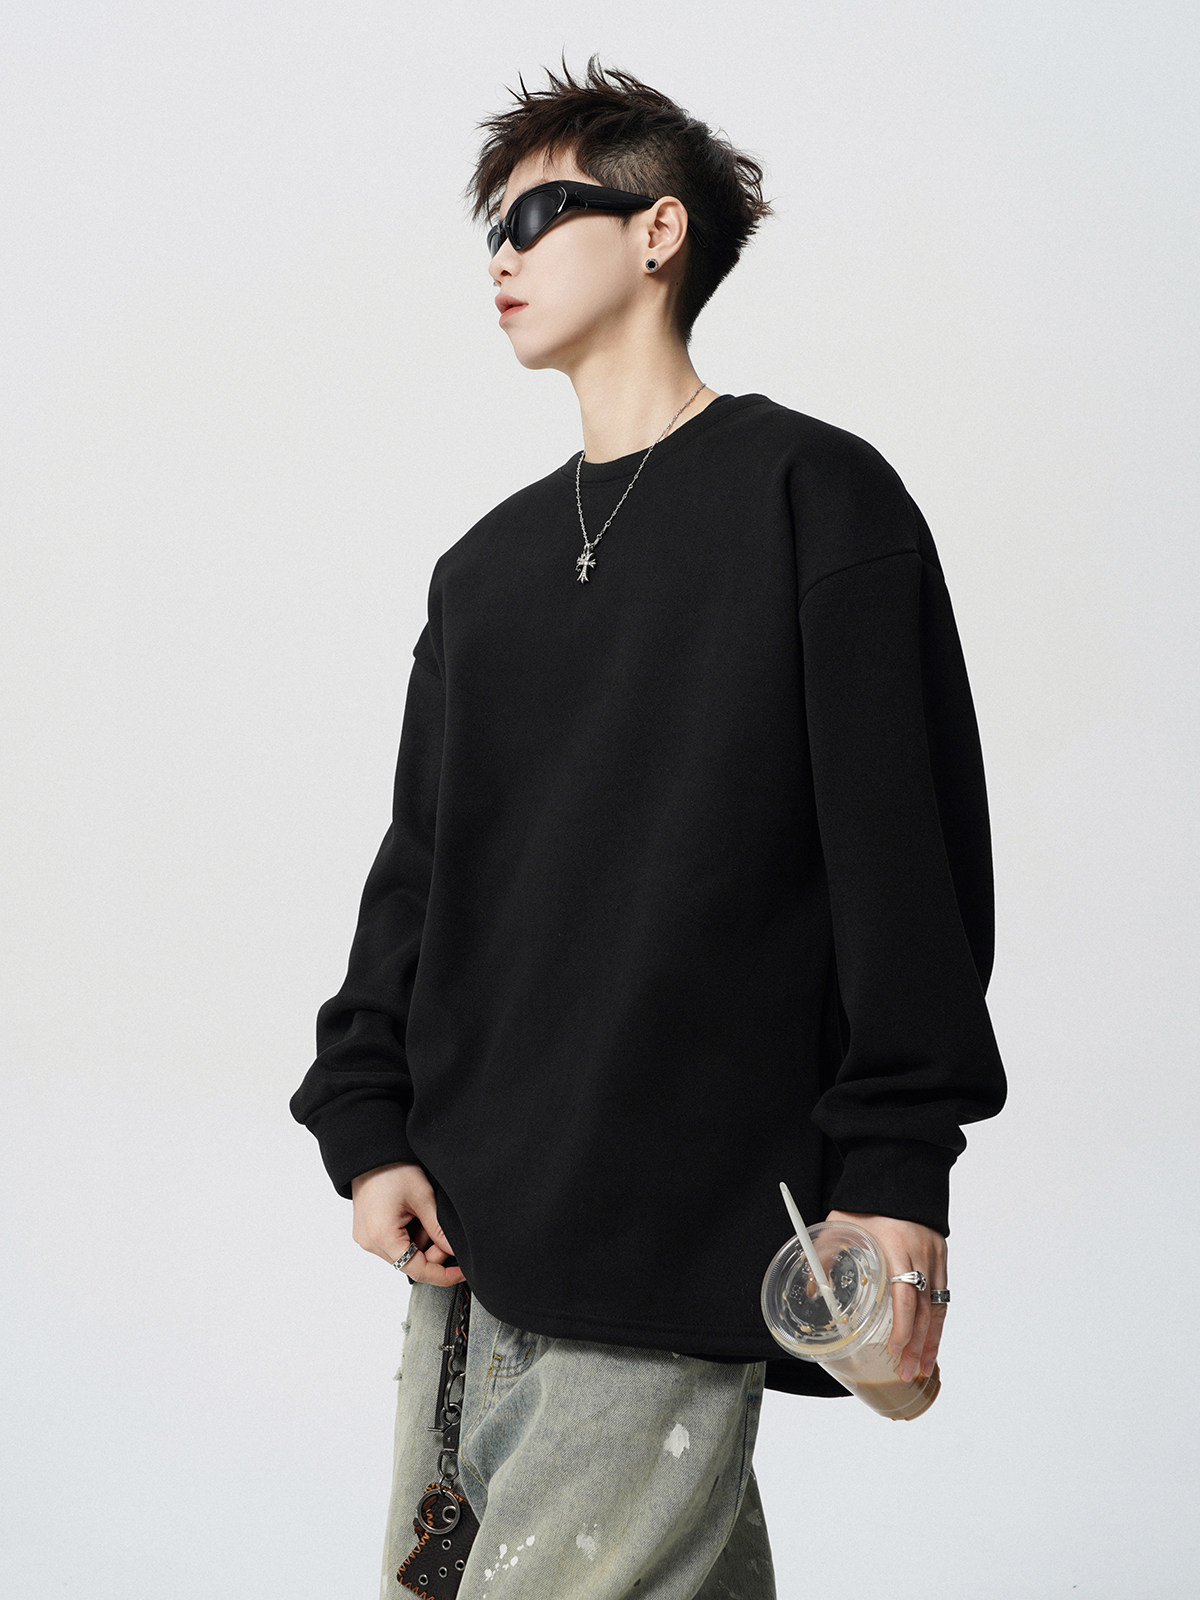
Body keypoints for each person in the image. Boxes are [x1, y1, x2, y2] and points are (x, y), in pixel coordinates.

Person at [290, 52, 1007, 1600]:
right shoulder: (482, 572)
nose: (500, 251)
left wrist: (896, 1165)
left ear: (660, 230)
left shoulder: (816, 497)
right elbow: (421, 872)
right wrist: (368, 1123)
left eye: (537, 213)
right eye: (487, 224)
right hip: (472, 1238)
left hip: (683, 1215)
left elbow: (906, 857)